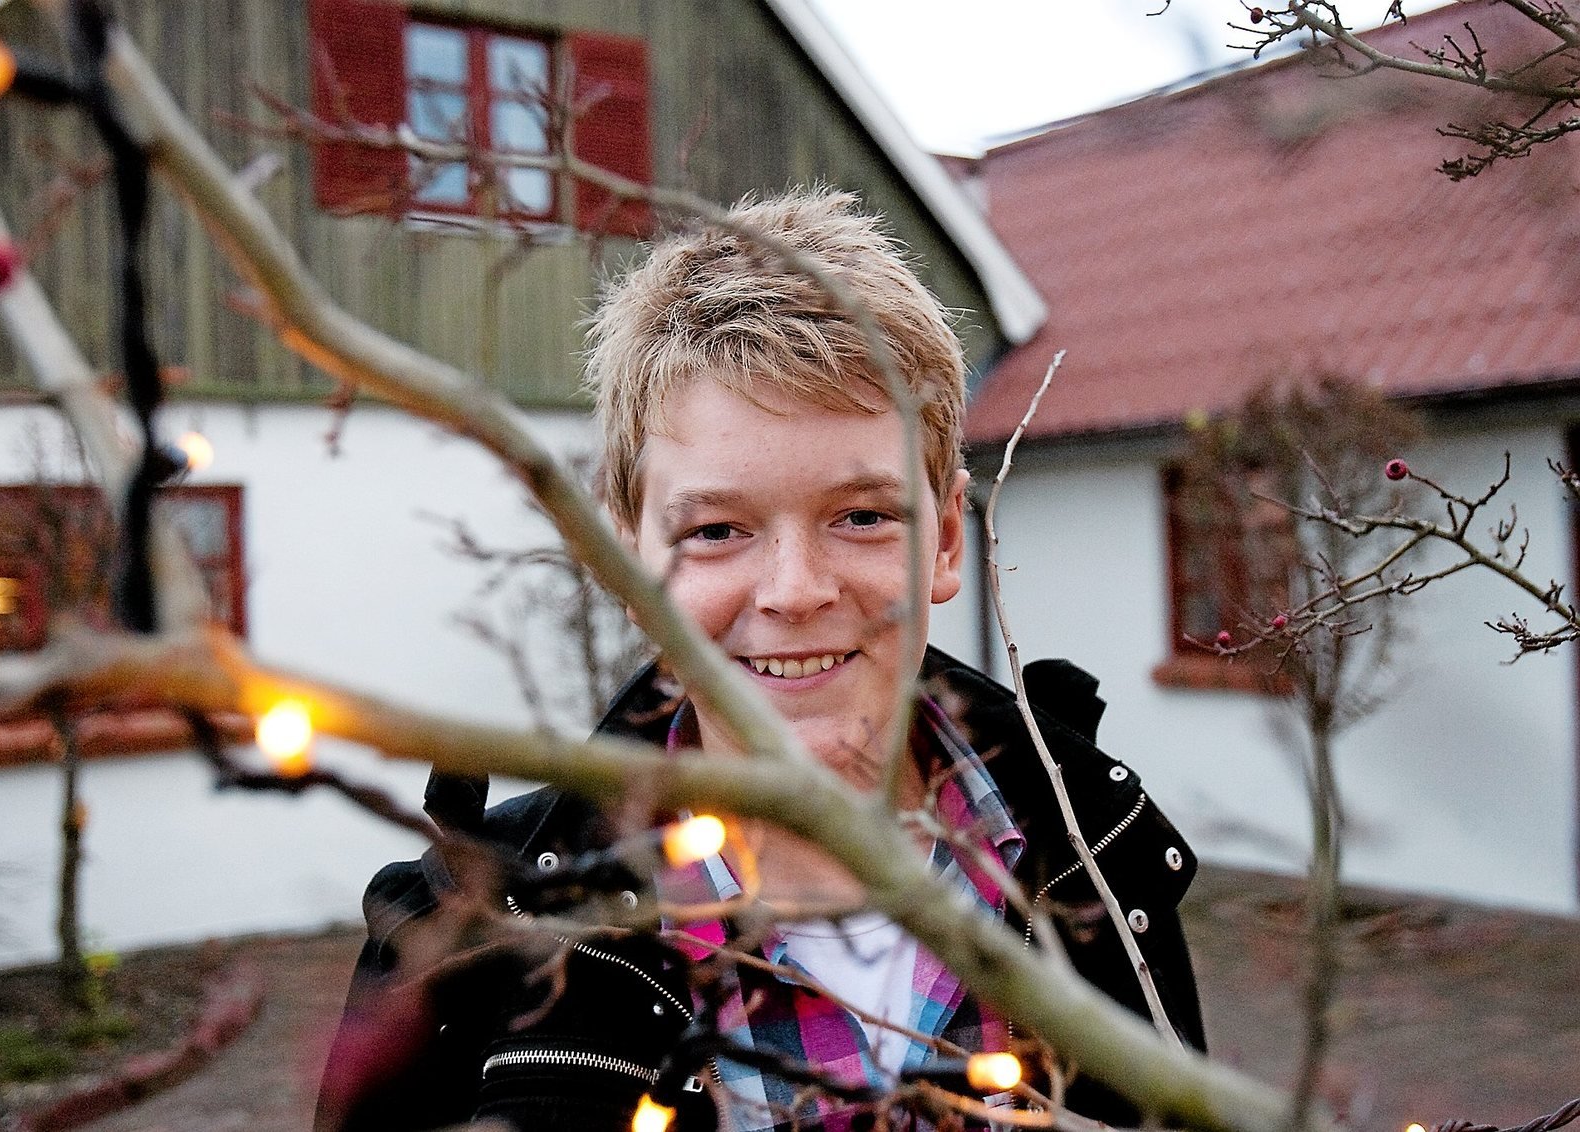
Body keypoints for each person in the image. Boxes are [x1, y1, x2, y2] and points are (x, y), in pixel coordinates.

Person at [315, 188, 1205, 1132]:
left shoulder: (1091, 858)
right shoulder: (470, 939)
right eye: (717, 530)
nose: (794, 590)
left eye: (861, 516)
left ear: (946, 539)